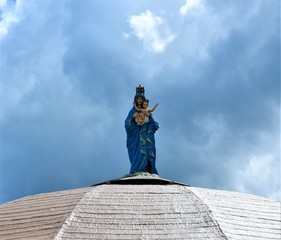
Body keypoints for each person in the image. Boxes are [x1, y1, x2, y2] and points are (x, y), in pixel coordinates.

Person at [125, 87, 159, 175]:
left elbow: (155, 126)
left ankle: (148, 171)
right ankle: (137, 171)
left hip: (146, 137)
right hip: (136, 138)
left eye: (141, 99)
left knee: (146, 152)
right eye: (138, 99)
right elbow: (127, 125)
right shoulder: (132, 111)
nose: (139, 100)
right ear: (136, 100)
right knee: (139, 153)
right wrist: (133, 118)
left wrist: (150, 117)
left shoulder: (147, 111)